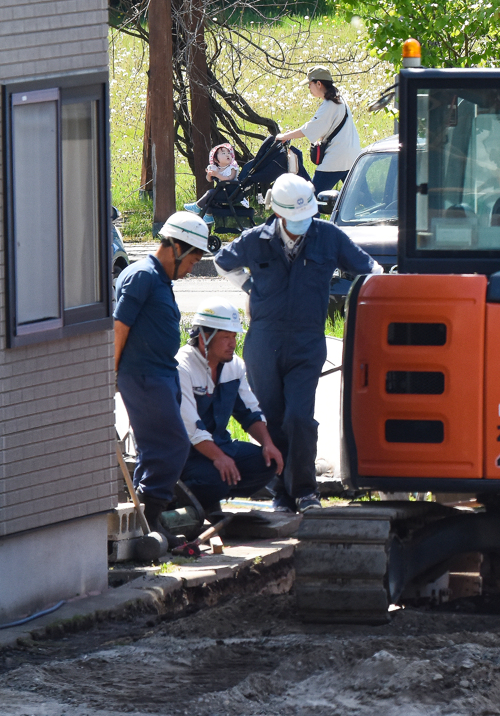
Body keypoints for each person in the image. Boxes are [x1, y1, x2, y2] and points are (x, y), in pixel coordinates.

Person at [213, 173, 381, 511]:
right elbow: (222, 262)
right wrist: (249, 289)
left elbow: (371, 268)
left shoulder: (328, 237)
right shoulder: (255, 239)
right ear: (278, 214)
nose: (303, 224)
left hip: (307, 341)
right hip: (264, 340)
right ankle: (282, 494)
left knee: (299, 417)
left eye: (308, 217)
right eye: (295, 219)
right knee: (270, 417)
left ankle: (305, 491)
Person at [114, 213, 210, 545]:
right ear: (177, 247)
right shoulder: (141, 276)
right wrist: (106, 376)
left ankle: (143, 523)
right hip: (143, 376)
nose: (193, 268)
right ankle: (149, 520)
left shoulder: (159, 280)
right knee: (172, 446)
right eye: (193, 259)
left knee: (155, 450)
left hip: (159, 375)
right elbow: (119, 328)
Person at [177, 300, 284, 515]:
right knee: (216, 480)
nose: (232, 343)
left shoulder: (234, 366)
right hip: (186, 455)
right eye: (226, 337)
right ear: (204, 337)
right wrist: (219, 458)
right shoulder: (182, 367)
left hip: (220, 445)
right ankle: (183, 498)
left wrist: (268, 444)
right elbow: (191, 429)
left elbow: (250, 412)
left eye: (234, 337)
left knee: (267, 464)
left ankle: (214, 493)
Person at [276, 66, 360, 195]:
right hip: (351, 155)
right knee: (361, 197)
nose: (309, 88)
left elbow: (309, 129)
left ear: (319, 83)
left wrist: (284, 136)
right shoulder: (339, 100)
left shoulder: (329, 105)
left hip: (336, 159)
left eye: (310, 84)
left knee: (315, 198)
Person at [184, 143, 245, 222]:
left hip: (231, 192)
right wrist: (209, 175)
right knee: (210, 199)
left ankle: (197, 206)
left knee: (210, 193)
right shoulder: (217, 168)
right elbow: (209, 180)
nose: (227, 155)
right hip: (223, 192)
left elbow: (230, 178)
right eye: (223, 153)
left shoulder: (232, 167)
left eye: (229, 153)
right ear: (216, 160)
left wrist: (217, 175)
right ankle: (208, 216)